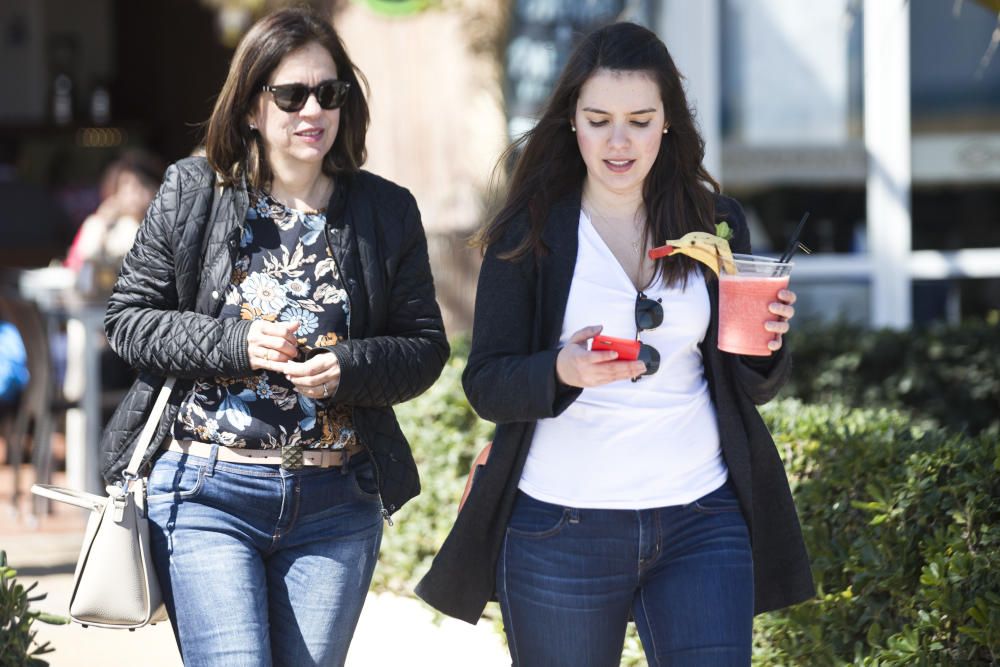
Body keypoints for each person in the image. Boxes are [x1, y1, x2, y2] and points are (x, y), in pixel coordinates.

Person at [416, 22, 813, 666]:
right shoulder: (531, 231)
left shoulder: (714, 222)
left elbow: (753, 385)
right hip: (559, 528)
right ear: (572, 121)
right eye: (598, 119)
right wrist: (562, 370)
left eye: (640, 119)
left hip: (701, 519)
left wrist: (766, 342)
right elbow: (487, 383)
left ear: (668, 125)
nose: (619, 140)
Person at [100, 8, 448, 665]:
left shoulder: (384, 210)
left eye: (329, 92)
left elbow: (425, 348)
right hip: (208, 493)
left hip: (336, 502)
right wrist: (238, 344)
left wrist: (349, 365)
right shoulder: (193, 190)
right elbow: (129, 320)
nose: (311, 109)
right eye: (290, 94)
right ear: (252, 107)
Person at [64, 149, 165, 282]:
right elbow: (78, 265)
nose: (135, 192)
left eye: (143, 184)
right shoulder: (98, 223)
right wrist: (103, 223)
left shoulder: (165, 228)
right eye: (127, 184)